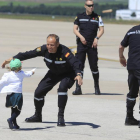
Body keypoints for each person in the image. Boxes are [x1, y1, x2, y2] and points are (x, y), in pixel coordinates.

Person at [2, 34, 83, 127]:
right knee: (38, 92)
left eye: (52, 45)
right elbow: (29, 54)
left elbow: (75, 62)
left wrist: (78, 74)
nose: (49, 47)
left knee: (62, 88)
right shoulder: (44, 49)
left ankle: (60, 117)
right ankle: (38, 116)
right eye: (48, 44)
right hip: (54, 72)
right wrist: (14, 58)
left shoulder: (65, 51)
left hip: (69, 73)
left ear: (57, 44)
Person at [72, 0, 104, 95]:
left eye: (92, 5)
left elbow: (102, 30)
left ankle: (97, 88)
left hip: (92, 45)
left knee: (94, 66)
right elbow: (74, 29)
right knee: (79, 66)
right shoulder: (80, 16)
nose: (91, 7)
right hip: (81, 45)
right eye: (89, 5)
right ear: (85, 6)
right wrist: (81, 37)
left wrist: (96, 38)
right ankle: (78, 88)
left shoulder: (97, 17)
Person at [0, 59, 35, 130]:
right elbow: (28, 74)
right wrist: (32, 71)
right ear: (20, 67)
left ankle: (14, 125)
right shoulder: (21, 73)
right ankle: (10, 119)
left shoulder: (7, 75)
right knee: (18, 110)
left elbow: (1, 82)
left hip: (10, 94)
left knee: (13, 110)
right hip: (17, 94)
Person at [119, 25, 140, 126]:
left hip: (131, 66)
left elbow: (121, 46)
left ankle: (129, 118)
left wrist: (121, 57)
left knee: (132, 92)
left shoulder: (132, 30)